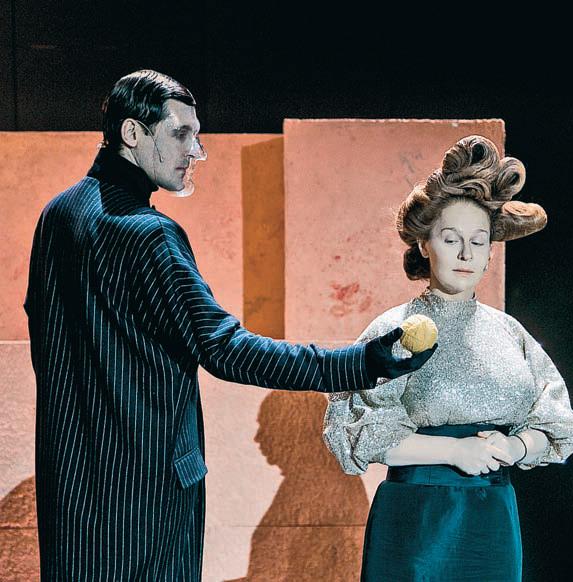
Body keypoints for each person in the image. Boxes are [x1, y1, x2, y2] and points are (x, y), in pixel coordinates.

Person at [24, 69, 434, 581]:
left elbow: (44, 338)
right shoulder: (151, 235)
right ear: (132, 133)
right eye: (180, 134)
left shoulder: (57, 215)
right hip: (145, 497)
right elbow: (225, 349)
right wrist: (359, 364)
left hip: (69, 490)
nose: (196, 152)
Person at [323, 135, 573, 581]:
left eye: (478, 242)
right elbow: (360, 432)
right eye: (451, 239)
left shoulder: (509, 333)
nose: (466, 254)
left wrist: (516, 446)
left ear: (489, 252)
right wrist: (454, 450)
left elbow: (556, 422)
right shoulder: (395, 329)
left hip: (492, 518)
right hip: (417, 520)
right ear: (425, 245)